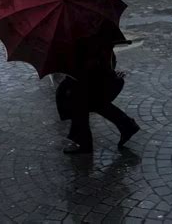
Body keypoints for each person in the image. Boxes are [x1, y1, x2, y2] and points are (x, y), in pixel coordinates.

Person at [56, 22, 140, 154]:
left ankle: (84, 142)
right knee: (93, 102)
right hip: (96, 69)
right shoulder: (94, 19)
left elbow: (88, 54)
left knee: (79, 101)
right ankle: (126, 125)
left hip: (91, 71)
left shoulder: (82, 27)